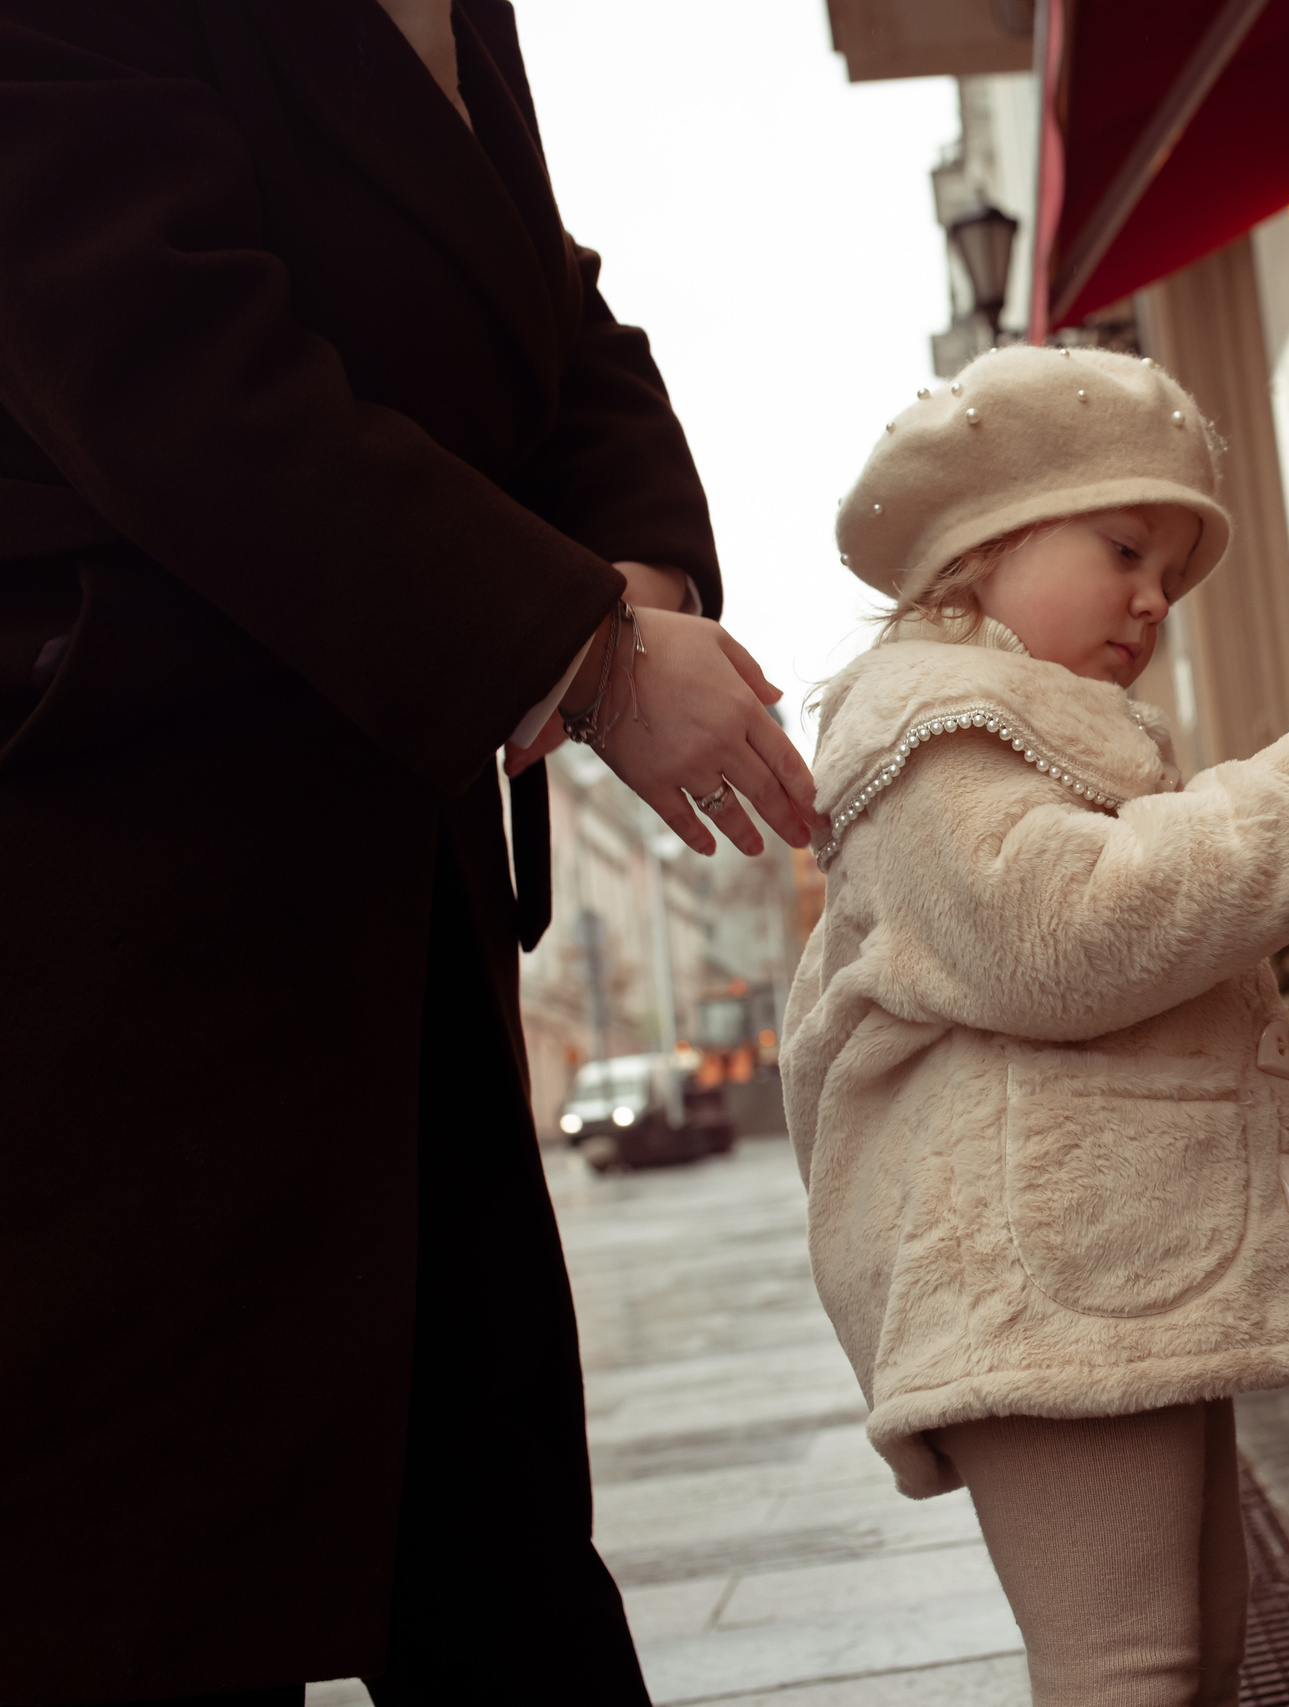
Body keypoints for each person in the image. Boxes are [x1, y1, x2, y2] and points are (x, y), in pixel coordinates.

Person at [0, 2, 815, 1702]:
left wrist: (632, 583)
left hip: (389, 876)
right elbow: (160, 353)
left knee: (495, 1546)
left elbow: (552, 312)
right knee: (155, 1593)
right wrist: (574, 647)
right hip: (132, 891)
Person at [779, 344, 1289, 1706]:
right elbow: (1061, 935)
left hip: (1108, 1267)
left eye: (1168, 566)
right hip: (1034, 1285)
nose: (1154, 595)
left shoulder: (1024, 729)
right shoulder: (932, 730)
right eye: (1122, 546)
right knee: (1131, 1668)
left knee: (1197, 1654)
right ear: (981, 551)